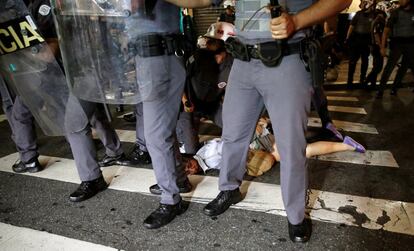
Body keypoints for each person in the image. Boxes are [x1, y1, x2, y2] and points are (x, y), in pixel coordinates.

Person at [170, 0, 350, 243]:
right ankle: (229, 190)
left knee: (290, 146)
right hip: (243, 61)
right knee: (233, 134)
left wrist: (297, 21)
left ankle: (295, 216)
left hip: (287, 56)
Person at [377, 0, 414, 98]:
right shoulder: (396, 13)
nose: (400, 1)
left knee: (404, 68)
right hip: (397, 44)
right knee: (389, 68)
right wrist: (382, 47)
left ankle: (394, 89)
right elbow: (385, 31)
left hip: (410, 44)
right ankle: (380, 91)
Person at [346, 0, 376, 89]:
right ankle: (349, 82)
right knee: (352, 61)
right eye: (363, 3)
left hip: (366, 40)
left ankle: (362, 80)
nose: (365, 5)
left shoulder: (373, 15)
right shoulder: (358, 14)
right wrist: (347, 38)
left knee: (365, 61)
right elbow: (351, 26)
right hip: (356, 39)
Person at [365, 6, 386, 89]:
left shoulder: (375, 21)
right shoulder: (379, 22)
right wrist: (381, 47)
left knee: (376, 66)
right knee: (378, 67)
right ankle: (367, 81)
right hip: (377, 46)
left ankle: (372, 83)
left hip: (374, 46)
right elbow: (377, 34)